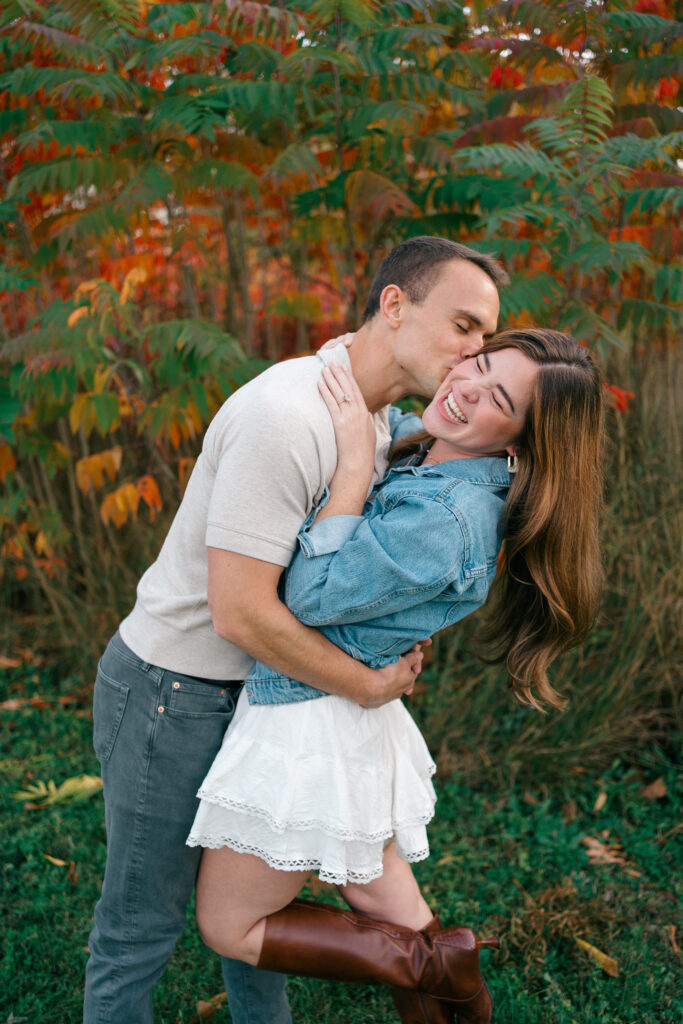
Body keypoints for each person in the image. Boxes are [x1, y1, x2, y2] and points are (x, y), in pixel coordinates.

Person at [83, 236, 507, 1024]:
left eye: (485, 337)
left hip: (268, 699)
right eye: (463, 326)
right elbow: (239, 610)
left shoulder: (377, 420)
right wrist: (370, 684)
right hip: (176, 695)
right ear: (393, 306)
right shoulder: (288, 415)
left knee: (258, 926)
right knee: (141, 926)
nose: (475, 352)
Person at [186, 329, 605, 1024]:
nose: (465, 386)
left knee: (229, 925)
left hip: (307, 723)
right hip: (351, 718)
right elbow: (379, 392)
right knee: (390, 905)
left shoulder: (445, 518)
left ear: (522, 442)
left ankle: (433, 962)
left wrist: (352, 470)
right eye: (474, 363)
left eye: (496, 395)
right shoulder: (439, 457)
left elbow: (307, 599)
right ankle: (443, 971)